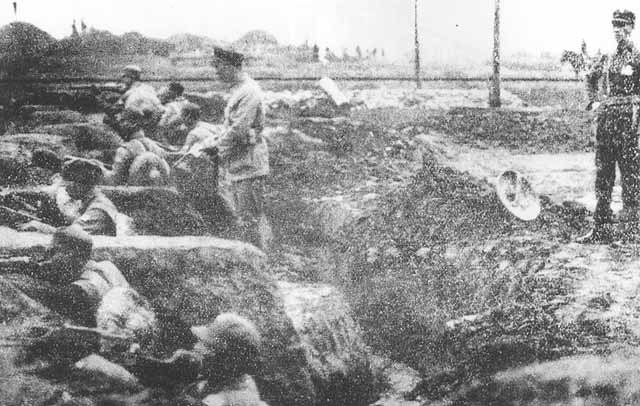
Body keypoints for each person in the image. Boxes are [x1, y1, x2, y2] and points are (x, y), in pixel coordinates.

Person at [194, 47, 272, 251]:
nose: (216, 72)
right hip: (240, 164)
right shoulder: (240, 90)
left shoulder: (249, 92)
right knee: (244, 219)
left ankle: (259, 268)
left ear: (230, 67)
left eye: (219, 67)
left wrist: (215, 149)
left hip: (249, 165)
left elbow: (238, 130)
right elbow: (230, 128)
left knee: (249, 221)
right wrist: (212, 141)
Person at [578, 9, 640, 243]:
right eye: (614, 26)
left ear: (631, 28)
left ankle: (631, 232)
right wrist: (593, 101)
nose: (617, 30)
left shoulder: (637, 57)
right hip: (606, 122)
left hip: (629, 124)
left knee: (630, 177)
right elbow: (590, 77)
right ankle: (600, 229)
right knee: (603, 176)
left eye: (622, 26)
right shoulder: (607, 55)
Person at [18, 158, 132, 236]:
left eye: (66, 184)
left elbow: (73, 234)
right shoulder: (88, 201)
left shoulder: (99, 210)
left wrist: (41, 227)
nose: (65, 189)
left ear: (78, 185)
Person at [104, 109, 171, 187]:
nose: (119, 124)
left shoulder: (124, 150)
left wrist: (101, 168)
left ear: (133, 124)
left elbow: (113, 180)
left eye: (122, 121)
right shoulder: (156, 147)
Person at [104, 65, 165, 142]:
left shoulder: (129, 94)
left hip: (139, 125)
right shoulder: (148, 88)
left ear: (131, 78)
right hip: (156, 119)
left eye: (124, 77)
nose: (122, 80)